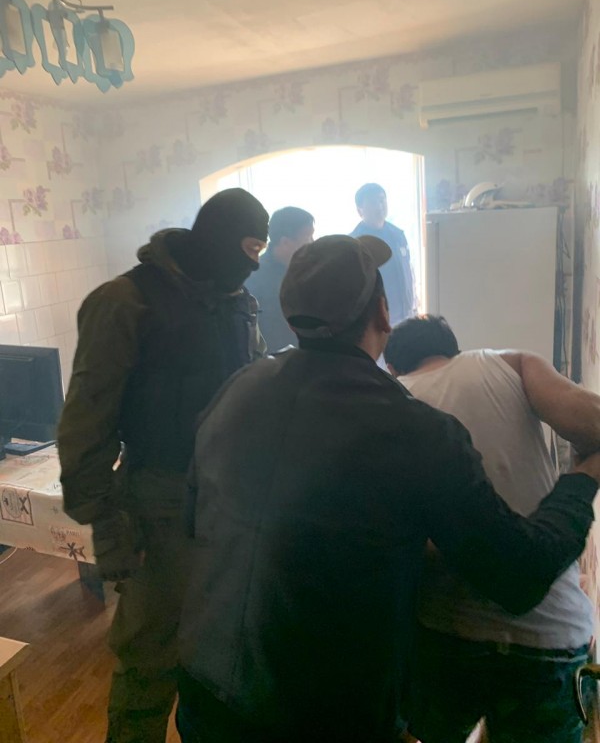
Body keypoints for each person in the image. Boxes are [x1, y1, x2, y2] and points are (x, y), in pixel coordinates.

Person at [177, 234, 600, 743]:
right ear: (382, 312)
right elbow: (517, 575)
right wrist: (584, 476)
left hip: (206, 694)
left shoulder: (237, 390)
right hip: (323, 714)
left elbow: (195, 519)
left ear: (291, 319)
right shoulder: (414, 428)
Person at [57, 188, 269, 743]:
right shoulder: (125, 301)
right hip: (160, 501)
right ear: (220, 240)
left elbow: (253, 378)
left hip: (233, 502)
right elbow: (86, 424)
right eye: (250, 249)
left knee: (222, 655)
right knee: (150, 659)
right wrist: (108, 526)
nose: (253, 265)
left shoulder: (237, 299)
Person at [386, 315, 600, 743]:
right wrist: (585, 465)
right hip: (548, 636)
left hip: (446, 634)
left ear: (393, 367)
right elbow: (591, 421)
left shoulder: (391, 404)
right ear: (454, 349)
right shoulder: (509, 363)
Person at [246, 206, 315, 352]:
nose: (313, 243)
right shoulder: (255, 277)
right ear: (285, 243)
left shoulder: (308, 269)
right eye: (308, 238)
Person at [350, 183, 415, 325]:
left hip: (405, 314)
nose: (379, 206)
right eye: (373, 202)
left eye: (381, 200)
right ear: (360, 210)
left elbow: (408, 270)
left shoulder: (398, 235)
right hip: (375, 320)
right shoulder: (355, 243)